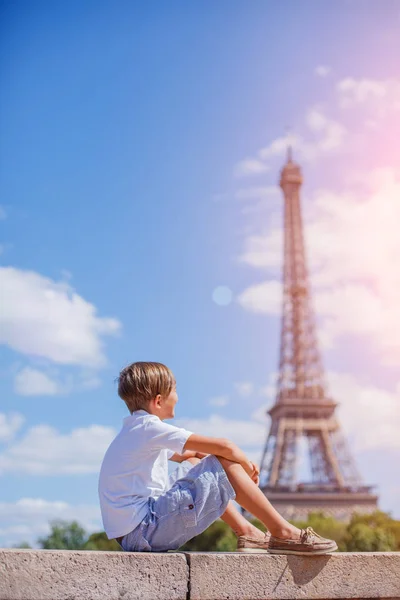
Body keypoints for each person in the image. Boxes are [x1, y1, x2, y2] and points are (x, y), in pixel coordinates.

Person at [98, 361, 338, 555]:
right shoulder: (150, 428)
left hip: (137, 532)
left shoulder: (135, 430)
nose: (178, 397)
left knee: (202, 464)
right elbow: (225, 446)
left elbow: (191, 455)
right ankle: (282, 532)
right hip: (147, 529)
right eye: (175, 390)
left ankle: (247, 531)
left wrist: (225, 466)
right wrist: (244, 466)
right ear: (158, 401)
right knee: (222, 460)